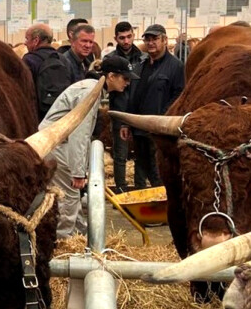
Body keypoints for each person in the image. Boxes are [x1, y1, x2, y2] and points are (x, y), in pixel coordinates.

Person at [39, 55, 135, 238]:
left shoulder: (92, 87)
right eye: (125, 78)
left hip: (55, 143)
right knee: (67, 198)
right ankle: (61, 243)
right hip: (58, 145)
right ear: (111, 76)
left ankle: (78, 237)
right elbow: (79, 134)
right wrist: (78, 171)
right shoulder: (90, 92)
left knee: (71, 198)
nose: (128, 83)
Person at [120, 24, 185, 189]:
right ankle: (139, 195)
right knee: (140, 164)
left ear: (164, 40)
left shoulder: (176, 66)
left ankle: (161, 198)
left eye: (155, 39)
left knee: (158, 167)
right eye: (147, 39)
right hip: (139, 125)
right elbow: (132, 95)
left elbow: (179, 95)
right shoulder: (141, 65)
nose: (150, 43)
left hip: (160, 128)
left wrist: (164, 118)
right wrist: (126, 123)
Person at [106, 21, 143, 192]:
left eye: (129, 36)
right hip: (119, 111)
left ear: (133, 35)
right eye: (122, 38)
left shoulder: (142, 58)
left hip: (138, 111)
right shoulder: (111, 59)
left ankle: (141, 188)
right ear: (116, 38)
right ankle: (121, 189)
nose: (126, 41)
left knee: (141, 153)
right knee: (120, 154)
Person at [22, 23, 70, 121]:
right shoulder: (64, 60)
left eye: (27, 39)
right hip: (61, 116)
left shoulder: (29, 60)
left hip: (37, 118)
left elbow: (24, 92)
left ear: (36, 40)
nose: (25, 43)